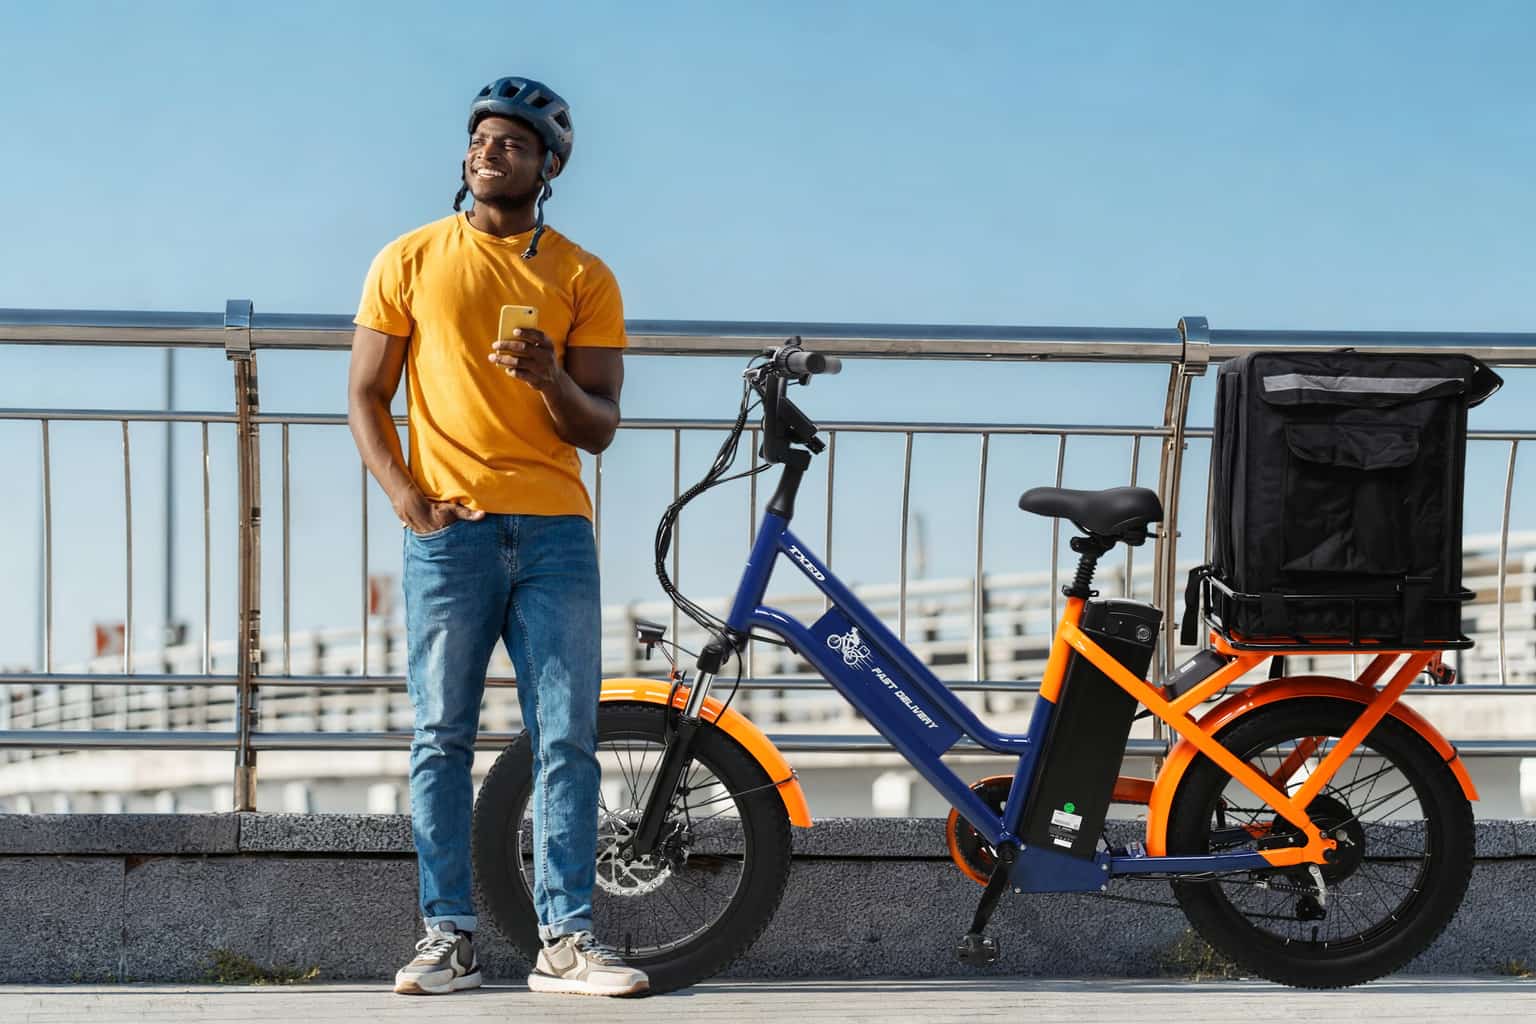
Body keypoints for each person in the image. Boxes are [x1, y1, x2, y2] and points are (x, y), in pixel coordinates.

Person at [346, 75, 648, 998]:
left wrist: (552, 377)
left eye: (514, 142)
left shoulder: (584, 276)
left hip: (557, 531)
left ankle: (566, 942)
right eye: (480, 136)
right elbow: (366, 394)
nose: (490, 150)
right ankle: (449, 937)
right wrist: (405, 496)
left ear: (548, 165)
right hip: (449, 531)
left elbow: (598, 425)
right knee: (441, 735)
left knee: (568, 738)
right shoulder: (408, 258)